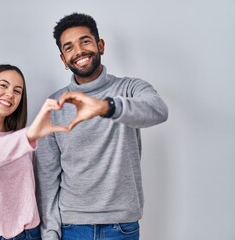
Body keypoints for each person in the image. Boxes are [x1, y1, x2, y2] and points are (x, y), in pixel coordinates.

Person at [35, 13, 169, 240]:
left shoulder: (129, 89)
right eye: (69, 48)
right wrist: (49, 232)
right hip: (72, 227)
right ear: (63, 60)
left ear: (101, 45)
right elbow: (47, 177)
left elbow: (157, 110)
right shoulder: (55, 105)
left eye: (85, 41)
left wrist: (106, 107)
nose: (78, 51)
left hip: (121, 226)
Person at [0, 64, 73, 240]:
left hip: (31, 234)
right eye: (3, 85)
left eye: (17, 91)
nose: (10, 94)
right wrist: (29, 134)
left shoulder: (24, 141)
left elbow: (43, 187)